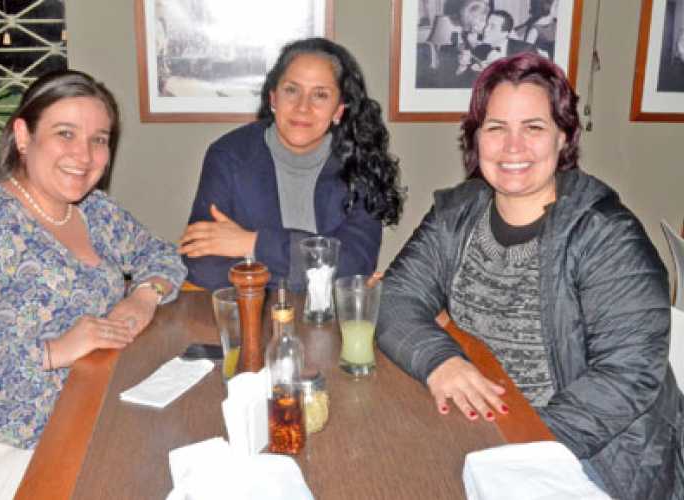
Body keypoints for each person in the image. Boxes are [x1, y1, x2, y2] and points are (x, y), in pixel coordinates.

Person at [377, 52, 683, 499]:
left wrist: (519, 446)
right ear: (475, 138)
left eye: (533, 128)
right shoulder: (457, 213)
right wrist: (441, 361)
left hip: (596, 459)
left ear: (563, 137)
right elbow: (396, 298)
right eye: (496, 127)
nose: (512, 147)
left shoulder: (607, 235)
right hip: (483, 429)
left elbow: (626, 377)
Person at [0, 70, 187, 500]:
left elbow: (163, 255)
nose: (83, 155)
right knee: (142, 481)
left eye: (99, 139)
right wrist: (53, 351)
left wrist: (145, 295)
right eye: (65, 133)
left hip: (73, 415)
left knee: (177, 450)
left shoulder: (92, 210)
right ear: (23, 136)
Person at [179, 37, 404, 290]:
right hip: (250, 321)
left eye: (320, 95)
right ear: (274, 98)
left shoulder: (360, 163)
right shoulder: (227, 156)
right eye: (291, 90)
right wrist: (315, 267)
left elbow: (354, 267)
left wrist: (251, 244)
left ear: (339, 110)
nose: (302, 107)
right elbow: (202, 268)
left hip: (331, 322)